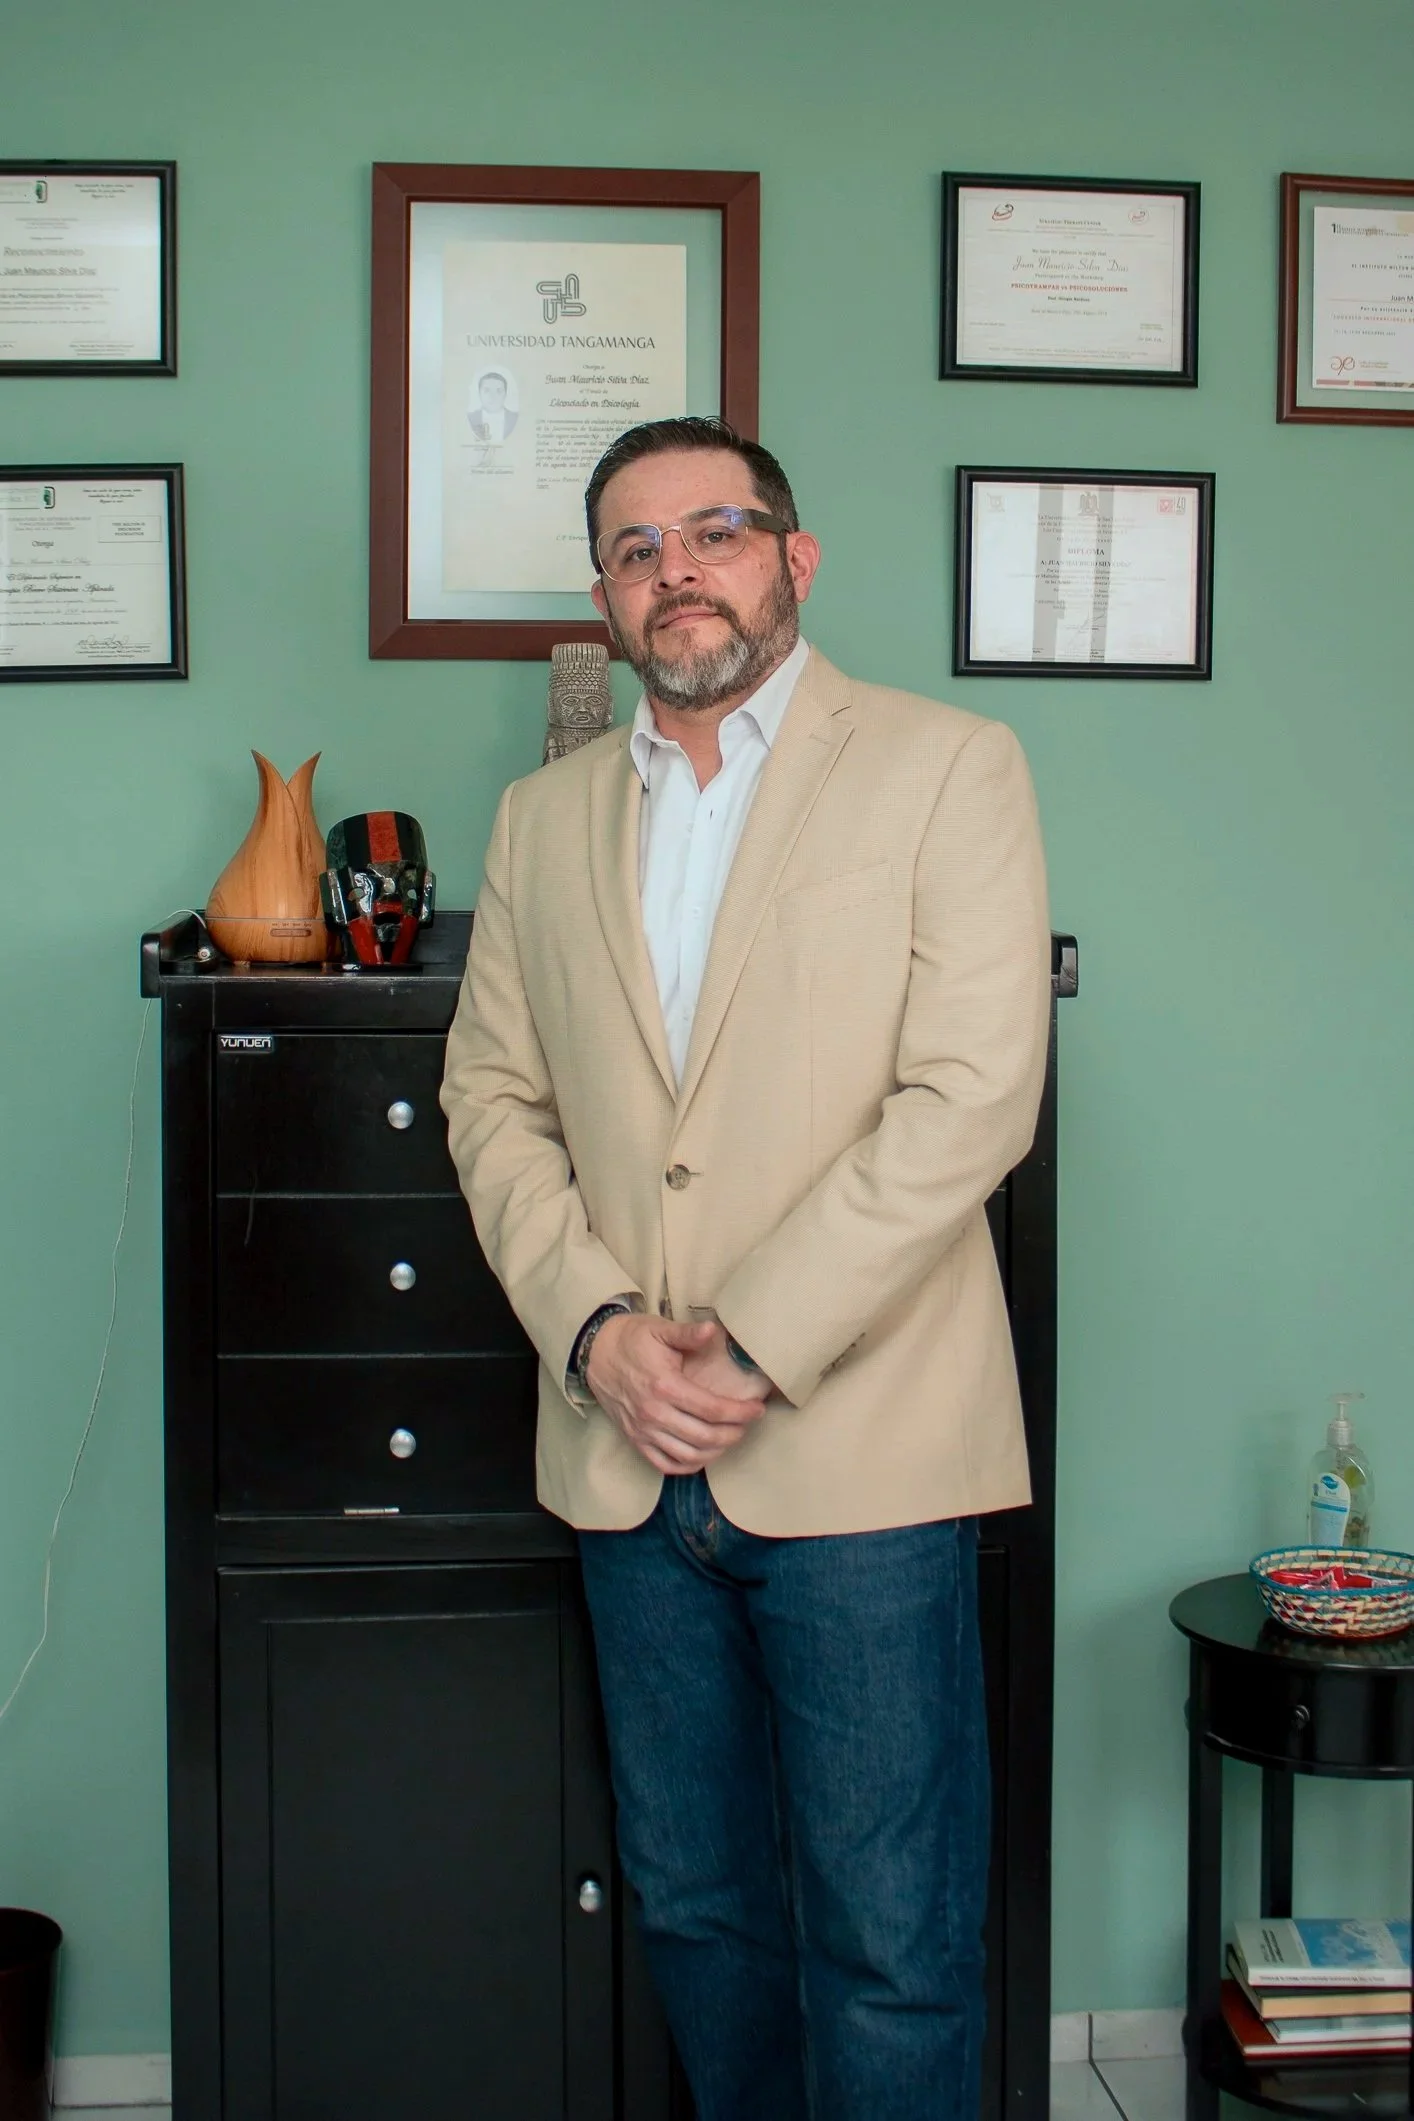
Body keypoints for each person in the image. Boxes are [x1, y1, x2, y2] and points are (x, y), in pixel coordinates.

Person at [440, 415, 1050, 2121]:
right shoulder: (539, 815)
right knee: (698, 1912)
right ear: (603, 598)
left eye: (711, 529)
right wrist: (595, 1330)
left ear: (791, 556)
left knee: (890, 1938)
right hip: (626, 1462)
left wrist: (752, 1343)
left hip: (861, 1453)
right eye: (635, 549)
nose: (674, 570)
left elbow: (970, 1095)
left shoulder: (945, 764)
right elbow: (488, 1098)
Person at [467, 369, 517, 441]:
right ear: (479, 393)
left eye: (499, 391)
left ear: (505, 394)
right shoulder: (470, 418)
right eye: (487, 390)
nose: (493, 396)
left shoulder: (515, 418)